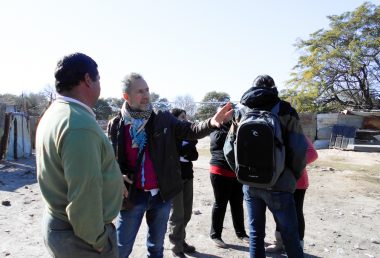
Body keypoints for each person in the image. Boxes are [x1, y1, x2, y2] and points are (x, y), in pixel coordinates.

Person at [107, 73, 233, 258]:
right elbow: (111, 158)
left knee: (156, 248)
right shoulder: (116, 124)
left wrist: (211, 123)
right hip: (132, 196)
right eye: (140, 91)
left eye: (147, 90)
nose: (146, 95)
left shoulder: (162, 118)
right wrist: (117, 175)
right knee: (121, 249)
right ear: (126, 96)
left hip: (161, 196)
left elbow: (190, 130)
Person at [36, 53, 124, 258]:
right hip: (82, 240)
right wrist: (98, 239)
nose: (100, 84)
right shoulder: (78, 124)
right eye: (98, 78)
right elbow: (84, 193)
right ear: (87, 79)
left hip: (62, 228)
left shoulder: (55, 113)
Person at [227, 74, 308, 258]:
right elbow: (299, 149)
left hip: (250, 184)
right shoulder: (286, 109)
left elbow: (229, 149)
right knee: (290, 236)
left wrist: (241, 172)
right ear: (273, 87)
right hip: (280, 183)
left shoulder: (241, 111)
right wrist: (291, 175)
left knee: (256, 235)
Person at [266, 137, 318, 253]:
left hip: (297, 183)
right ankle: (280, 243)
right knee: (278, 213)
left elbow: (312, 154)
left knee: (296, 213)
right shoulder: (273, 130)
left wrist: (288, 164)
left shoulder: (296, 132)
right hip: (277, 182)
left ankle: (298, 246)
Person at [208, 105, 249, 248]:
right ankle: (215, 235)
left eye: (230, 111)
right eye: (224, 111)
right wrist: (234, 129)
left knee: (237, 204)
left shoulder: (237, 125)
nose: (228, 114)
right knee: (221, 204)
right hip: (219, 171)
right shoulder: (215, 126)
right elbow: (218, 143)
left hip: (236, 173)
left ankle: (241, 233)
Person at [168, 108, 198, 258]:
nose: (185, 120)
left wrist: (189, 145)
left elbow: (194, 156)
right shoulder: (170, 135)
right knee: (177, 215)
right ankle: (176, 248)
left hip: (188, 176)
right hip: (175, 178)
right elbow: (174, 153)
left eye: (186, 116)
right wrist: (186, 147)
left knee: (186, 213)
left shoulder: (189, 136)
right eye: (182, 117)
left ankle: (181, 240)